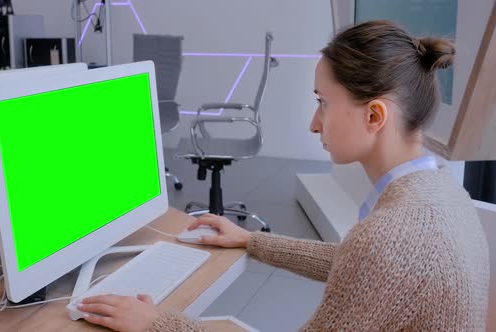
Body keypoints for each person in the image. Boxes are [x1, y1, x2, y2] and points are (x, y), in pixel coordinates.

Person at [76, 20, 490, 331]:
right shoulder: (441, 193)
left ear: (374, 115)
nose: (314, 123)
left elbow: (373, 259)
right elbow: (360, 269)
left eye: (323, 103)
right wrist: (252, 240)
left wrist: (159, 324)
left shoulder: (391, 237)